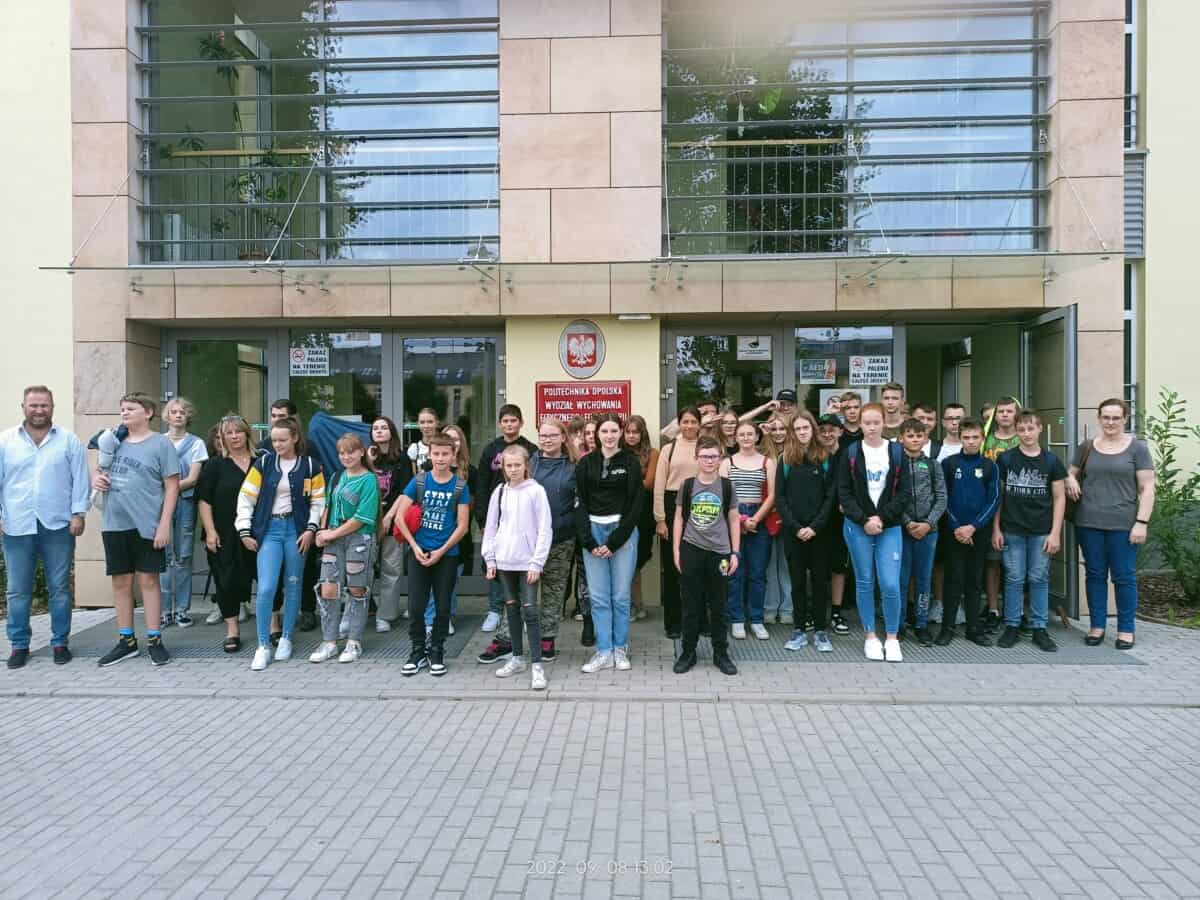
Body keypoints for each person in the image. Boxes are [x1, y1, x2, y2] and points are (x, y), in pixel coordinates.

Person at [0, 385, 89, 668]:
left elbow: (80, 479)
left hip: (58, 525)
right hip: (16, 525)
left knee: (59, 588)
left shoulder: (68, 440)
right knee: (17, 590)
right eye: (34, 405)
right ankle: (19, 645)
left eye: (44, 405)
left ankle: (60, 642)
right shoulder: (6, 441)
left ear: (52, 407)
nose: (39, 410)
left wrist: (78, 513)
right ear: (23, 407)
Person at [91, 393, 181, 667]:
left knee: (149, 581)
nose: (125, 413)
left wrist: (164, 524)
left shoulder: (161, 444)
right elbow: (99, 470)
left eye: (131, 408)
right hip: (115, 523)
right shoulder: (113, 440)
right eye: (122, 409)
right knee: (120, 582)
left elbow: (172, 486)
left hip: (147, 524)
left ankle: (155, 639)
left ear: (148, 412)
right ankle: (126, 641)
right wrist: (96, 478)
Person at [479, 418, 573, 665]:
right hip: (524, 545)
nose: (547, 440)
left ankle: (546, 638)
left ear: (563, 437)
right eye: (543, 436)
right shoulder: (527, 461)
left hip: (560, 539)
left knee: (553, 592)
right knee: (516, 595)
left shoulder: (573, 467)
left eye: (553, 435)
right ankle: (507, 640)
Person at [236, 416, 325, 671]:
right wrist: (244, 529)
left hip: (296, 530)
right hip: (270, 530)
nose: (277, 444)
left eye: (283, 440)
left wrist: (311, 528)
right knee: (266, 588)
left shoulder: (311, 466)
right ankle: (263, 645)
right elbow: (246, 497)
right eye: (274, 440)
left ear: (295, 438)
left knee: (293, 584)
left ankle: (286, 638)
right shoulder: (264, 463)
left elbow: (319, 501)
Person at [1066, 399, 1155, 650]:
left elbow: (1148, 488)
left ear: (1125, 419)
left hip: (1124, 525)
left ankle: (1126, 629)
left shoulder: (1137, 448)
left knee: (1123, 577)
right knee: (1094, 574)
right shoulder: (1087, 447)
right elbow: (1071, 471)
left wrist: (1142, 522)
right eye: (1106, 417)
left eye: (1116, 417)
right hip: (1088, 522)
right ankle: (1097, 626)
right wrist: (1070, 478)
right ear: (1099, 418)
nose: (1111, 422)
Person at [392, 434, 471, 676]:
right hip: (419, 552)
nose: (440, 458)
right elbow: (399, 517)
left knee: (442, 606)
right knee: (416, 607)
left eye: (445, 454)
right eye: (436, 454)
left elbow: (462, 526)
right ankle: (417, 650)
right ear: (430, 455)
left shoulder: (460, 486)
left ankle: (436, 649)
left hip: (446, 555)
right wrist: (414, 547)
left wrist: (441, 551)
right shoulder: (419, 481)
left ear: (453, 456)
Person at [838, 402, 911, 662]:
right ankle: (870, 636)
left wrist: (882, 517)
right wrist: (863, 519)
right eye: (867, 423)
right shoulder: (850, 452)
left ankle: (892, 637)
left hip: (888, 526)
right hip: (858, 526)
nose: (871, 427)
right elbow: (843, 492)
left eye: (876, 422)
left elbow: (904, 492)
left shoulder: (897, 451)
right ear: (860, 424)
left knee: (890, 583)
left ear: (883, 423)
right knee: (865, 580)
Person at [992, 411, 1067, 653]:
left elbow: (1060, 498)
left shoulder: (1052, 461)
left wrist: (1055, 533)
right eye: (1022, 429)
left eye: (1031, 428)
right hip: (1012, 529)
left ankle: (1039, 628)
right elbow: (999, 497)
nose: (1026, 434)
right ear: (1016, 431)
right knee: (1014, 578)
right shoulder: (1006, 459)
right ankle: (1012, 625)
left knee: (1038, 578)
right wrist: (996, 529)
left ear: (1040, 429)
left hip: (1041, 530)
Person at [482, 444, 553, 690]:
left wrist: (537, 562)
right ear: (503, 467)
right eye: (509, 465)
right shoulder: (500, 491)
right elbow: (491, 527)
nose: (513, 470)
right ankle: (517, 658)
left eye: (517, 465)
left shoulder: (536, 491)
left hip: (528, 562)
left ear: (526, 466)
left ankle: (537, 666)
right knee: (511, 609)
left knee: (530, 612)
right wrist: (490, 559)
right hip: (504, 562)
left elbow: (545, 529)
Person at [576, 414, 642, 673]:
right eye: (604, 431)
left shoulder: (630, 462)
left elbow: (636, 504)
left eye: (614, 430)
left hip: (621, 533)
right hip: (593, 533)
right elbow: (579, 503)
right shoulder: (585, 463)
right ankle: (604, 651)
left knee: (621, 596)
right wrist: (589, 541)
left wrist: (614, 541)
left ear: (621, 432)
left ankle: (620, 648)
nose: (609, 436)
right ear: (597, 434)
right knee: (599, 597)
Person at [672, 435, 740, 676]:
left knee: (719, 605)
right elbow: (678, 518)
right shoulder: (687, 485)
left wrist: (735, 552)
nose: (709, 461)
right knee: (691, 604)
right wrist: (677, 550)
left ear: (720, 458)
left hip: (720, 552)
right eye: (705, 456)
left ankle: (721, 653)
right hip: (692, 548)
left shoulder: (727, 486)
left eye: (713, 456)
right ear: (696, 458)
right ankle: (688, 652)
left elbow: (734, 520)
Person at [308, 434, 379, 664]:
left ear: (361, 452)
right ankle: (329, 641)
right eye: (341, 453)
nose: (346, 457)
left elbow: (362, 517)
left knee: (357, 589)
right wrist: (322, 531)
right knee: (328, 588)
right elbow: (328, 505)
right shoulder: (337, 476)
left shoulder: (369, 479)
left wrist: (332, 534)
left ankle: (353, 641)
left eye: (350, 452)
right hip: (333, 537)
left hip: (359, 539)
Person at [196, 415, 258, 653]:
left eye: (238, 431)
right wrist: (210, 531)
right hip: (224, 533)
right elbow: (204, 500)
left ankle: (273, 626)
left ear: (246, 434)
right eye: (228, 433)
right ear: (221, 437)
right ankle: (232, 630)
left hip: (258, 531)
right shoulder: (214, 465)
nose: (234, 436)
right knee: (226, 582)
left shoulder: (261, 462)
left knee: (267, 579)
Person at [776, 411, 836, 652]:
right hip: (794, 532)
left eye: (806, 428)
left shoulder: (825, 457)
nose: (802, 432)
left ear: (813, 429)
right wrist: (796, 527)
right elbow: (780, 497)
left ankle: (820, 631)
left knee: (820, 582)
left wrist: (814, 527)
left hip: (820, 532)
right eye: (797, 429)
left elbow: (831, 496)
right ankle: (799, 629)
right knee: (798, 583)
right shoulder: (785, 459)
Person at [938, 418, 999, 647]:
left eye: (975, 437)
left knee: (975, 579)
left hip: (978, 531)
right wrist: (957, 527)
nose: (971, 441)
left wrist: (973, 526)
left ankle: (973, 628)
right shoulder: (949, 464)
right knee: (953, 578)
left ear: (982, 438)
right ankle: (947, 627)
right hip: (953, 531)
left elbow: (994, 499)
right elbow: (942, 497)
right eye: (966, 437)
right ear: (960, 438)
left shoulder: (990, 466)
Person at [475, 405, 537, 634]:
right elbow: (482, 484)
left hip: (523, 517)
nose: (509, 424)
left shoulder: (530, 449)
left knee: (520, 564)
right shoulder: (490, 449)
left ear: (521, 423)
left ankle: (521, 612)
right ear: (500, 424)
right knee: (496, 562)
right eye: (505, 421)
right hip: (497, 516)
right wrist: (482, 520)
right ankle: (495, 610)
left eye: (513, 420)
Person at [720, 420, 776, 640]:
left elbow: (773, 495)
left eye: (750, 434)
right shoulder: (727, 462)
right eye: (741, 434)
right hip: (733, 516)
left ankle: (757, 619)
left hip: (759, 516)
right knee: (733, 572)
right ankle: (736, 619)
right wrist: (740, 521)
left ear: (757, 436)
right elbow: (723, 494)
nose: (745, 438)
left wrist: (755, 519)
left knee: (758, 573)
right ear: (735, 437)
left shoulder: (767, 462)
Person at [897, 418, 947, 646]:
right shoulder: (896, 465)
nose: (915, 440)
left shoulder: (934, 465)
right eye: (910, 436)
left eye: (919, 436)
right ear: (901, 439)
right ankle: (898, 624)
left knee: (924, 579)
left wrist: (928, 523)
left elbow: (942, 497)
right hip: (902, 530)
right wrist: (907, 522)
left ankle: (921, 624)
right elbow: (891, 497)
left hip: (929, 531)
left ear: (926, 439)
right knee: (901, 579)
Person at [159, 397, 208, 629]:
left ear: (188, 416)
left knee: (183, 556)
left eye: (182, 412)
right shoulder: (157, 442)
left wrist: (169, 488)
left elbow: (193, 478)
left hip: (185, 502)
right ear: (167, 416)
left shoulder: (197, 444)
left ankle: (181, 610)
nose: (178, 415)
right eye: (174, 411)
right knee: (162, 556)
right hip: (160, 504)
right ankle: (163, 611)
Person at [653, 407, 701, 639]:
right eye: (685, 421)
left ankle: (699, 621)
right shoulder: (668, 449)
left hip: (700, 505)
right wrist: (660, 519)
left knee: (699, 567)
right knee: (673, 568)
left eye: (693, 422)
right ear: (679, 423)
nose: (689, 426)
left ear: (700, 424)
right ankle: (673, 622)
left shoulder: (708, 446)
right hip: (672, 506)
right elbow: (659, 486)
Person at [425, 424, 477, 638]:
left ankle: (446, 617)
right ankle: (431, 619)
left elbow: (472, 506)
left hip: (458, 535)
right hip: (432, 533)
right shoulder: (428, 470)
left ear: (460, 445)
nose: (452, 442)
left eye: (456, 439)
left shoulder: (470, 472)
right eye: (448, 438)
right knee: (432, 582)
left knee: (450, 581)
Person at [980, 396, 1021, 629]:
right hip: (991, 504)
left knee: (1016, 565)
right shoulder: (987, 439)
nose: (1004, 415)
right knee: (993, 561)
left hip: (1017, 507)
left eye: (1009, 411)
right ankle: (993, 608)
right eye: (1001, 411)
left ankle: (1016, 610)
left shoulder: (1023, 436)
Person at [368, 416, 407, 632]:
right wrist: (368, 461)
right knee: (363, 568)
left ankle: (385, 615)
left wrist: (389, 516)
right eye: (375, 428)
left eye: (384, 427)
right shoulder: (368, 457)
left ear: (392, 431)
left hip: (392, 521)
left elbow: (405, 493)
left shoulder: (401, 459)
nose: (379, 431)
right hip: (367, 522)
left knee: (391, 569)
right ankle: (361, 611)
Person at [817, 414, 852, 635]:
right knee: (818, 567)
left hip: (842, 519)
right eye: (822, 430)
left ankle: (836, 611)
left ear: (840, 431)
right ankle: (817, 610)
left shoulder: (850, 454)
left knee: (839, 567)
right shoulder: (813, 455)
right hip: (817, 519)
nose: (827, 434)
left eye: (832, 429)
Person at [622, 415, 659, 621]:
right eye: (628, 432)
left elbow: (650, 483)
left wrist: (625, 482)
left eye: (635, 432)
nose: (631, 436)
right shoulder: (618, 453)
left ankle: (637, 603)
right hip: (622, 514)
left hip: (644, 514)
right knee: (625, 562)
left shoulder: (653, 454)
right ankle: (632, 604)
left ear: (642, 433)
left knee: (638, 561)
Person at [759, 412, 792, 624]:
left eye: (782, 428)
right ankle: (770, 607)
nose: (778, 433)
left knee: (787, 564)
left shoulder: (796, 453)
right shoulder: (761, 454)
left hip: (791, 515)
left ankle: (788, 607)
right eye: (774, 429)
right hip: (767, 514)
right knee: (769, 563)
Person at [406, 407, 440, 476]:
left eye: (430, 422)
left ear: (436, 423)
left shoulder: (444, 446)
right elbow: (414, 476)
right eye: (422, 422)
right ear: (418, 424)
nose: (426, 426)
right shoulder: (414, 448)